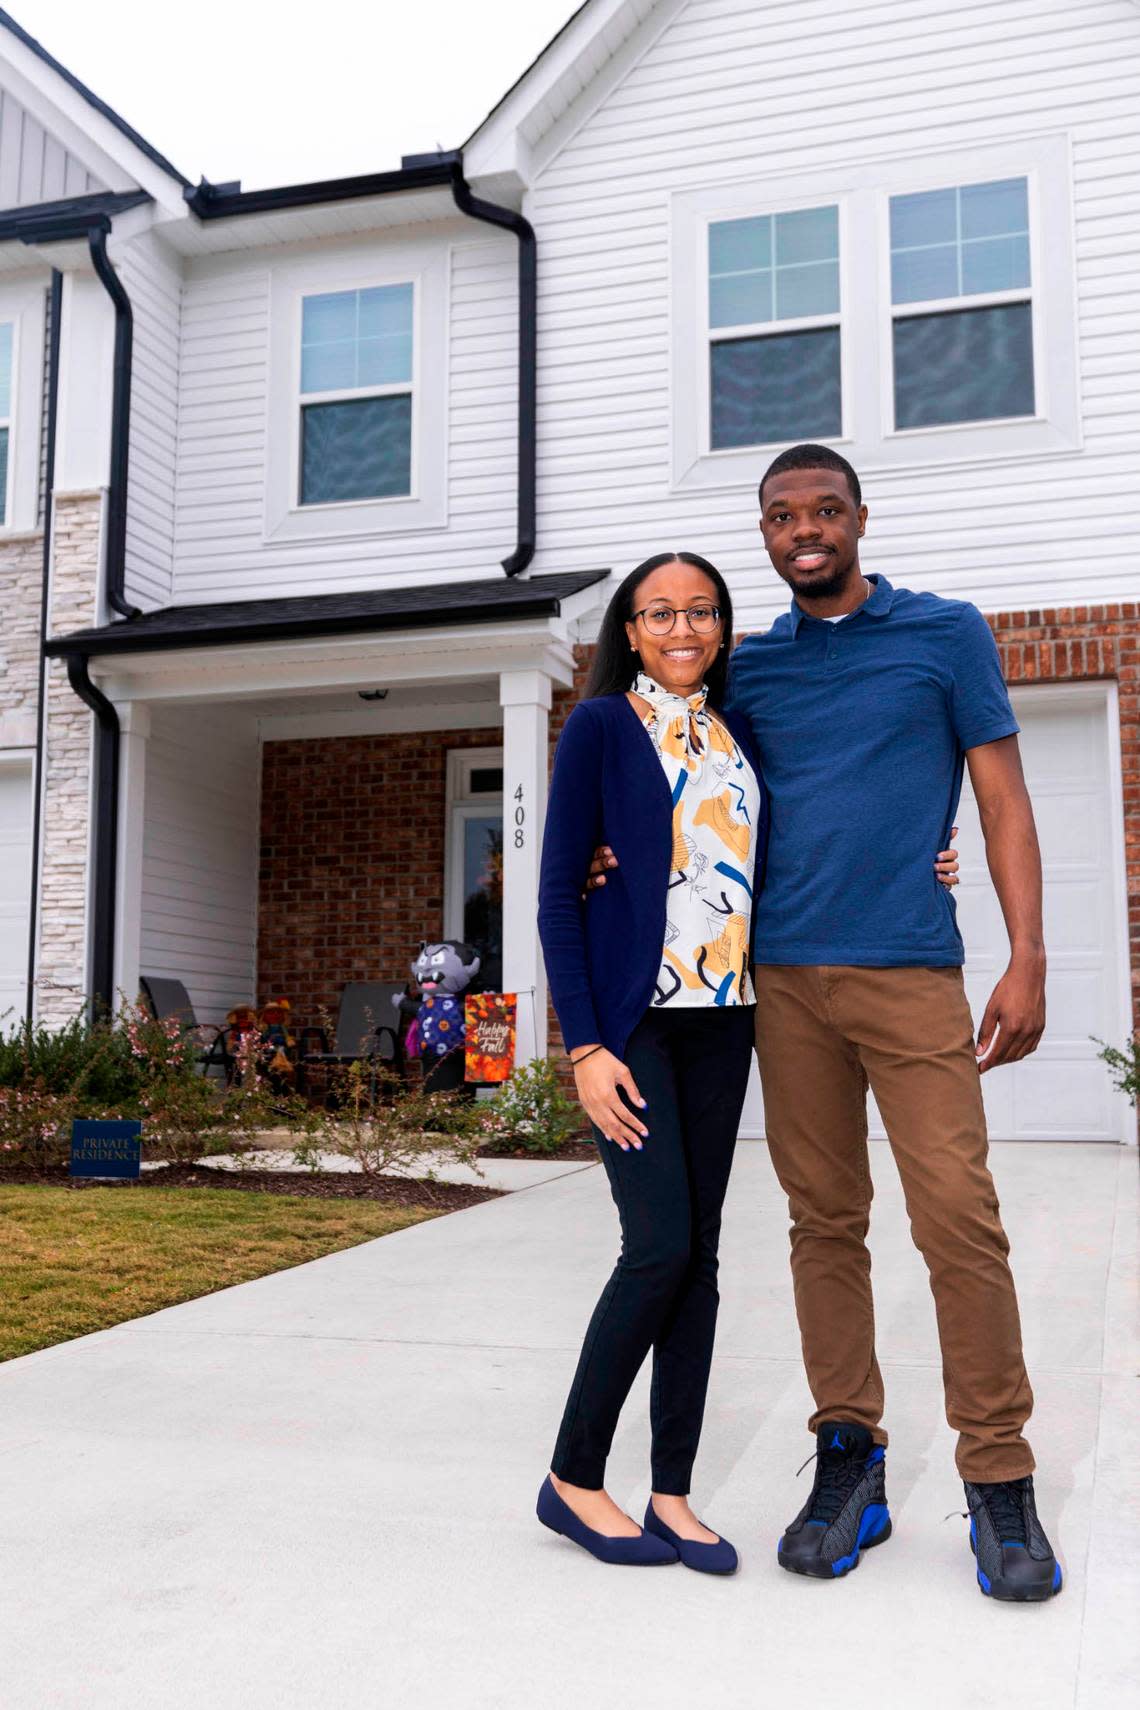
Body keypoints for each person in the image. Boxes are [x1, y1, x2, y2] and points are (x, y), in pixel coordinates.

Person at [590, 444, 1061, 1602]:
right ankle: (850, 1456)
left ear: (859, 518)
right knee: (822, 1221)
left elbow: (999, 796)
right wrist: (608, 850)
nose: (805, 529)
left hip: (910, 972)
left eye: (824, 510)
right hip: (781, 983)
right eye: (781, 515)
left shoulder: (945, 634)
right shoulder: (749, 668)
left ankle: (999, 1479)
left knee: (957, 1217)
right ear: (764, 534)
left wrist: (1027, 956)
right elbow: (676, 781)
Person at [536, 549, 960, 1576]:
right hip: (634, 1025)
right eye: (657, 614)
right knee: (657, 1246)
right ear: (628, 632)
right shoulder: (599, 727)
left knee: (703, 1257)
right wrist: (585, 1045)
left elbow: (822, 820)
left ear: (722, 628)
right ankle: (571, 1478)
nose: (681, 630)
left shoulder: (738, 733)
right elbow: (557, 892)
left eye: (699, 613)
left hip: (727, 1018)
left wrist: (924, 853)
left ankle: (671, 1493)